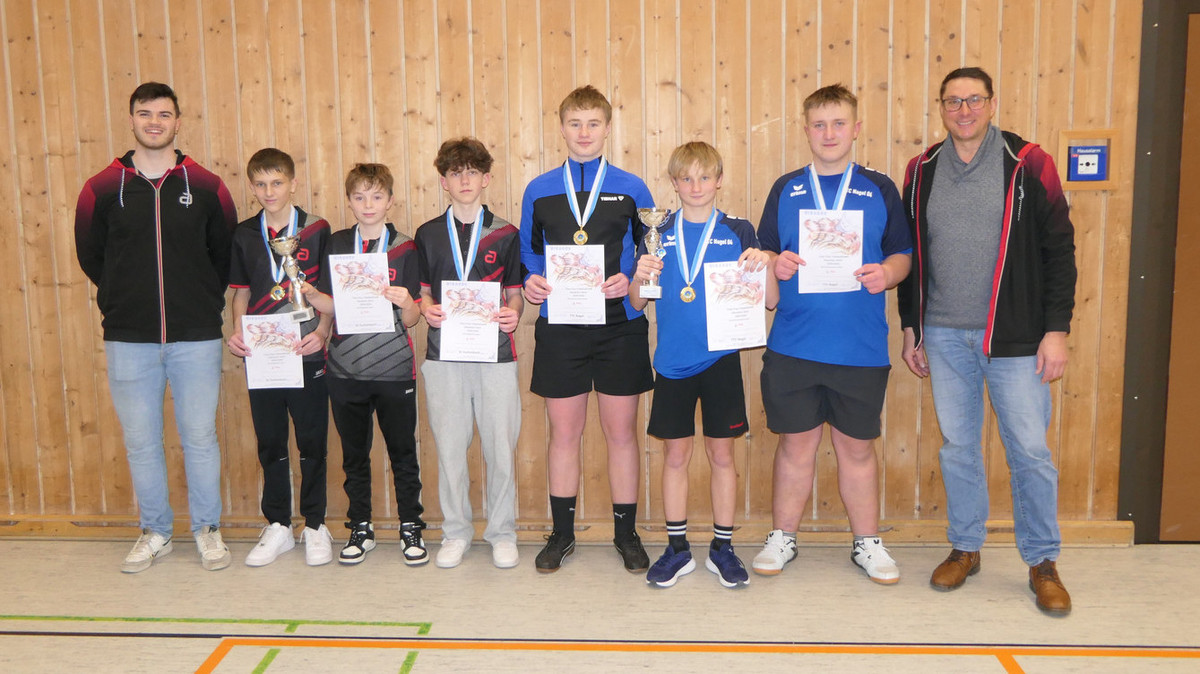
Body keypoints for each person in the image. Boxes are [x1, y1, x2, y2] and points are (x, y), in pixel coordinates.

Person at [898, 67, 1076, 614]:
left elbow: (1059, 250)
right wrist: (912, 326)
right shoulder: (921, 169)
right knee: (958, 447)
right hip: (944, 334)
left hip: (1016, 336)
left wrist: (1056, 330)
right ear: (941, 108)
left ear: (992, 104)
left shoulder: (1029, 163)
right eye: (953, 101)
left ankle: (1042, 561)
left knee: (1030, 451)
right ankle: (966, 547)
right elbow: (910, 253)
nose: (964, 110)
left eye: (974, 99)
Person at [74, 82, 238, 573]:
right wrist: (122, 297)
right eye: (145, 113)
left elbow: (224, 253)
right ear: (132, 120)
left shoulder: (207, 186)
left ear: (177, 122)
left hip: (196, 335)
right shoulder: (101, 188)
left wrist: (201, 300)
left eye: (164, 114)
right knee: (141, 441)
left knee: (200, 437)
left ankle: (207, 529)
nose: (154, 122)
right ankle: (156, 531)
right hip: (129, 338)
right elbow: (91, 255)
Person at [753, 84, 912, 585]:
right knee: (795, 447)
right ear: (806, 130)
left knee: (857, 449)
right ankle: (783, 536)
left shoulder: (879, 187)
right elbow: (765, 254)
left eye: (839, 123)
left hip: (859, 348)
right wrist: (775, 264)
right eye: (819, 124)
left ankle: (867, 541)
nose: (829, 133)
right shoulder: (785, 188)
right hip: (793, 344)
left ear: (856, 129)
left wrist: (887, 274)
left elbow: (903, 254)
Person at [519, 85, 656, 573]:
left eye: (593, 123)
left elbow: (651, 250)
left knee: (621, 434)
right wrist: (532, 280)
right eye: (575, 123)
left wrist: (631, 275)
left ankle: (626, 534)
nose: (584, 132)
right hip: (561, 325)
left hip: (620, 325)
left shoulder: (633, 187)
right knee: (564, 433)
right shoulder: (538, 189)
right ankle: (562, 534)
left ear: (607, 128)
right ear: (561, 128)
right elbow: (530, 252)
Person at [630, 142, 767, 589]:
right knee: (675, 456)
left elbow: (770, 302)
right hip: (672, 363)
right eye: (686, 178)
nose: (695, 186)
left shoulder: (738, 230)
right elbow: (636, 303)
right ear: (674, 183)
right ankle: (677, 549)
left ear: (719, 180)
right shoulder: (657, 231)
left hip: (721, 361)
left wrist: (762, 265)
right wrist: (639, 276)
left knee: (722, 455)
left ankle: (723, 548)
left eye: (704, 177)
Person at [304, 163, 428, 566]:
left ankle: (411, 525)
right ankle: (361, 526)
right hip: (344, 368)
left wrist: (407, 302)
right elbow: (330, 306)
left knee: (402, 452)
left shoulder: (406, 247)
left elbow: (413, 318)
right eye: (359, 197)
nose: (368, 204)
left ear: (390, 201)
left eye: (376, 196)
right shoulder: (338, 243)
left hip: (394, 369)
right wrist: (309, 293)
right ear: (349, 201)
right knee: (354, 455)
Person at [414, 138, 524, 570]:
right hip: (444, 355)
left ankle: (502, 533)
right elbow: (423, 293)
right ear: (443, 181)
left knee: (501, 448)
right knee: (449, 449)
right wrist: (427, 308)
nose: (464, 180)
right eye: (455, 173)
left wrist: (514, 314)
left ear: (486, 179)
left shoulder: (506, 233)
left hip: (496, 354)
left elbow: (514, 294)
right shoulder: (427, 234)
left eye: (472, 172)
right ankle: (456, 532)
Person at [227, 148, 334, 567]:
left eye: (277, 183)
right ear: (252, 187)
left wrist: (322, 334)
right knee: (271, 441)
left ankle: (315, 524)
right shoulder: (244, 234)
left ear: (292, 183)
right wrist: (238, 332)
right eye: (260, 184)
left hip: (305, 351)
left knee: (312, 442)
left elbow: (328, 295)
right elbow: (240, 293)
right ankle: (277, 525)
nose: (269, 191)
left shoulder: (317, 229)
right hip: (264, 354)